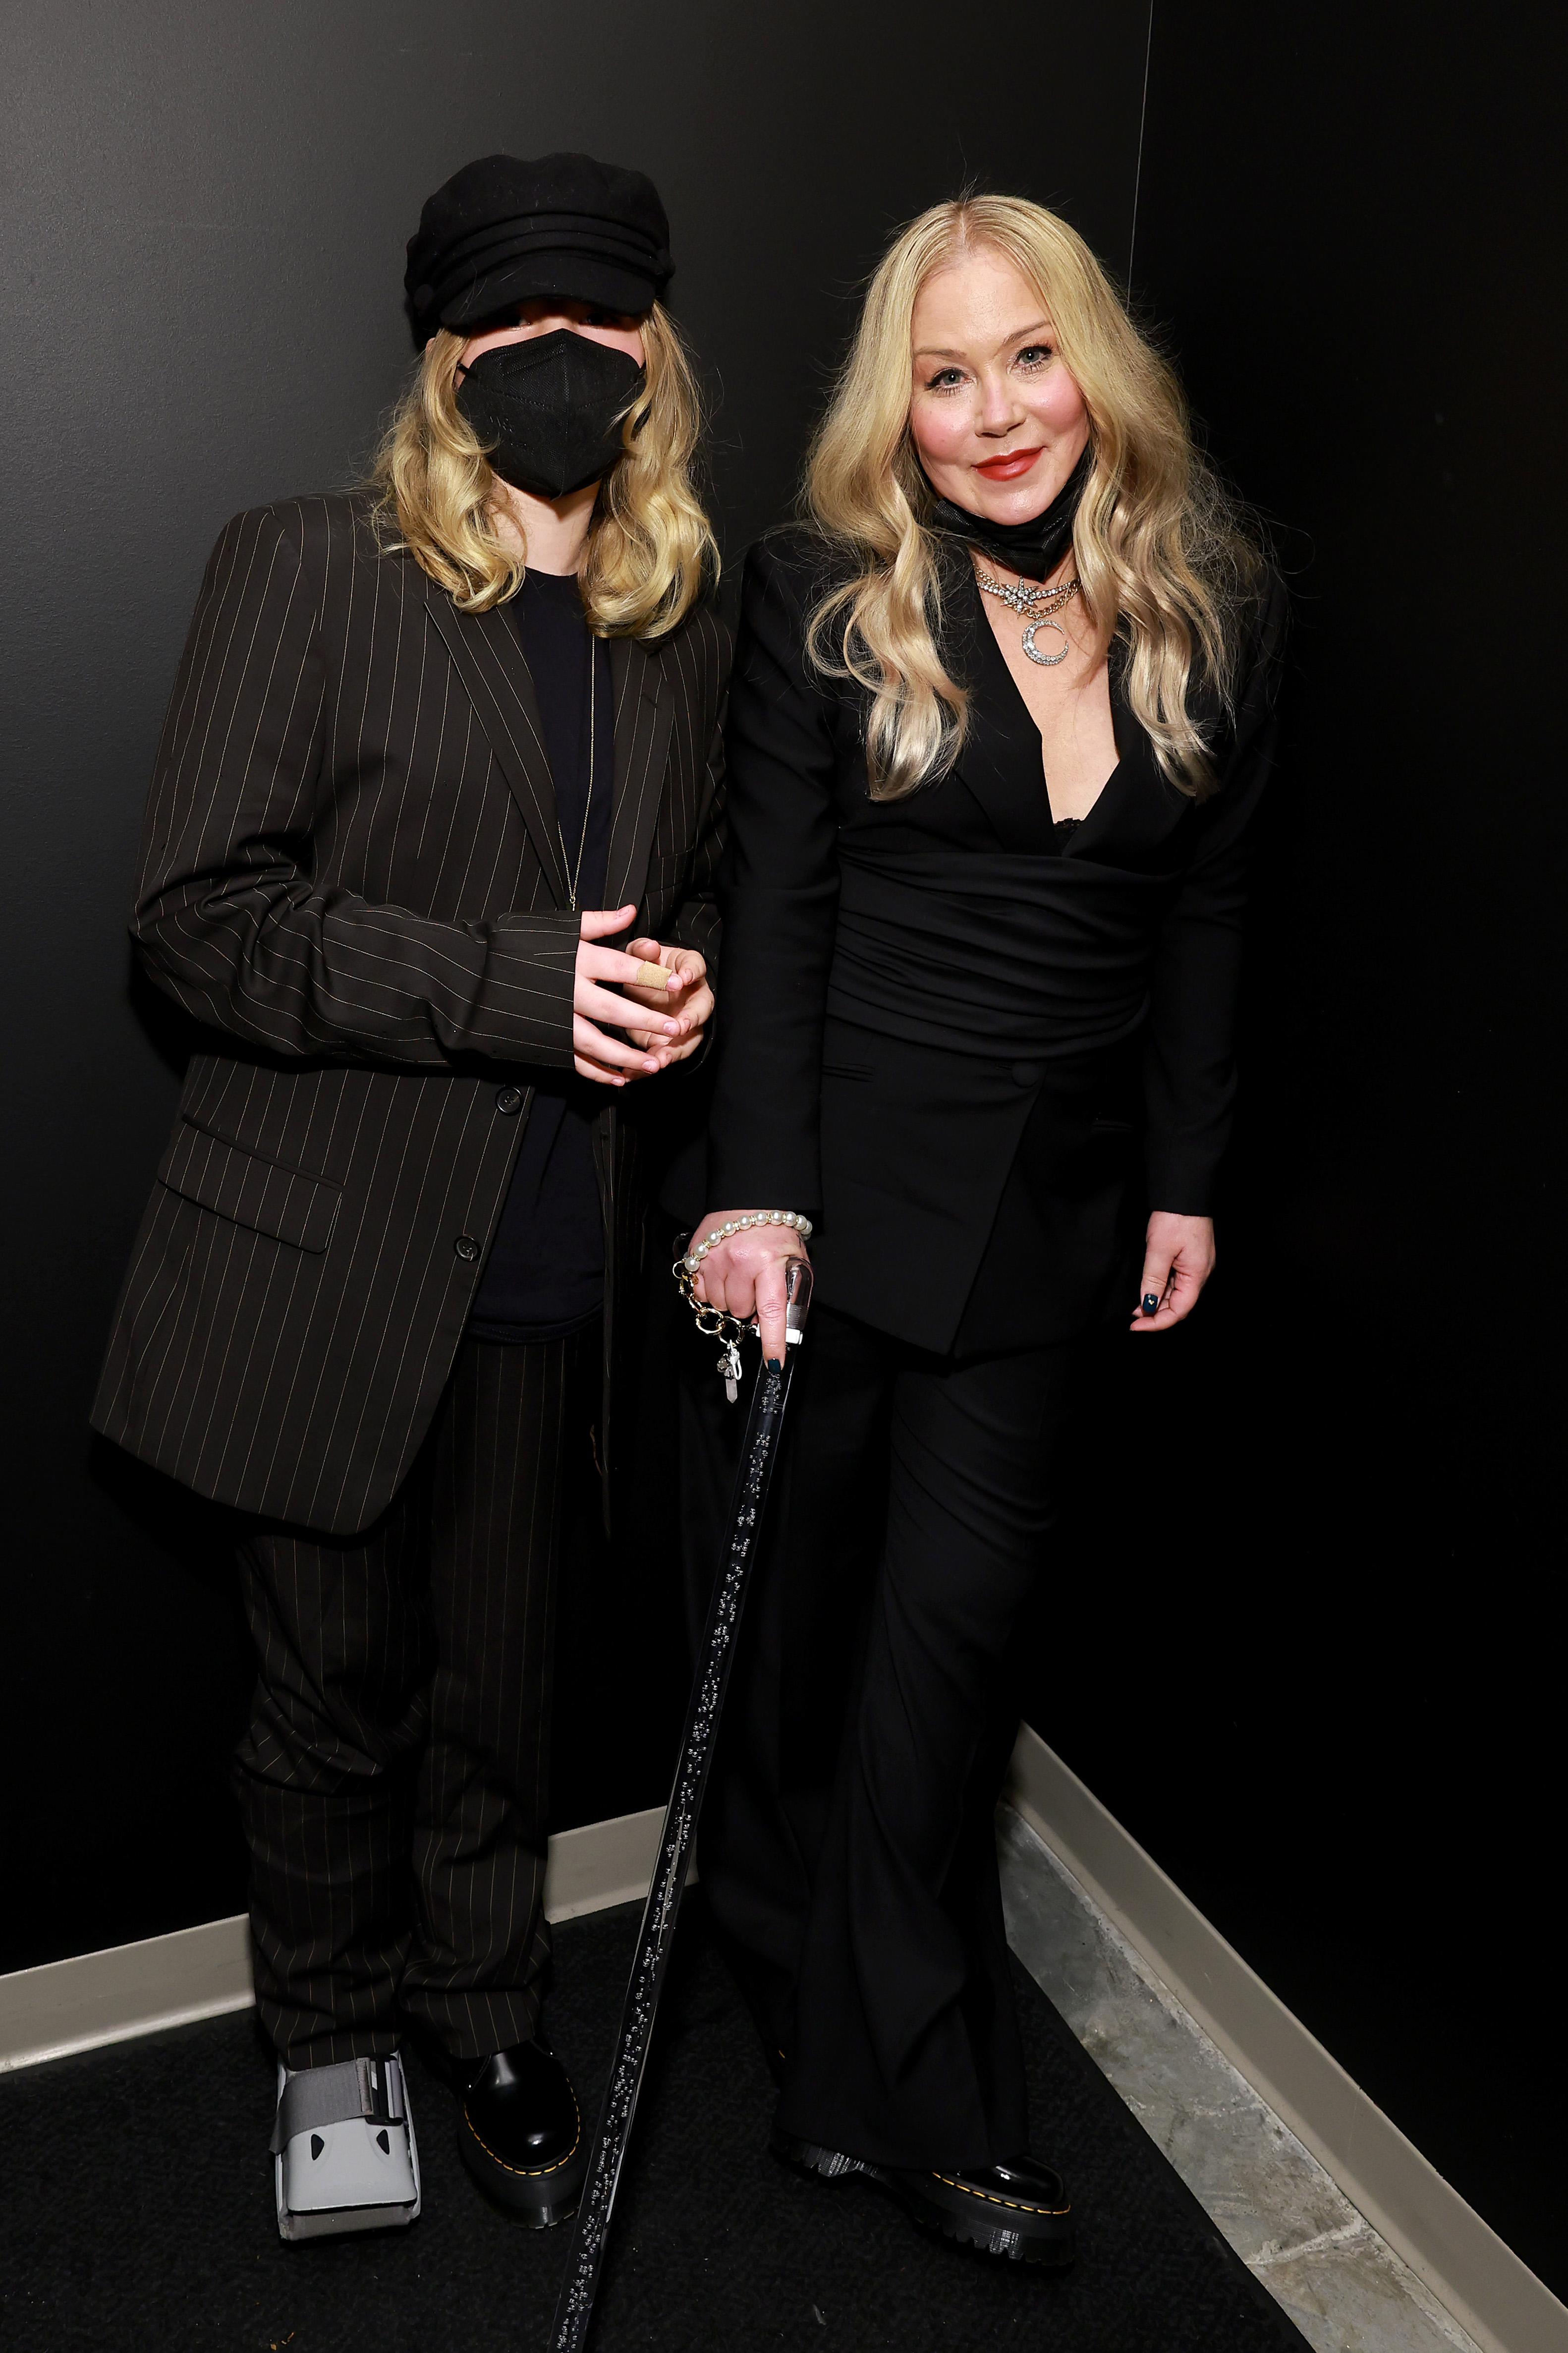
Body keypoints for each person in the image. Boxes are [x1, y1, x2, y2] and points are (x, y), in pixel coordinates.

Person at [92, 151, 729, 2241]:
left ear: (653, 350)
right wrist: (502, 984)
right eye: (513, 325)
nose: (562, 360)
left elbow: (672, 887)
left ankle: (484, 2001)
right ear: (446, 358)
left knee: (503, 1682)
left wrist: (685, 968)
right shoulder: (305, 564)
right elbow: (196, 924)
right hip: (327, 1258)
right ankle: (333, 2032)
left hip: (565, 1245)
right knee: (328, 1691)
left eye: (600, 322)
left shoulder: (677, 613)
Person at [680, 193, 1282, 2268]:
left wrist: (1185, 1173)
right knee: (791, 1654)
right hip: (832, 1221)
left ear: (1091, 361)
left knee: (939, 1674)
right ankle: (785, 1969)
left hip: (1049, 1235)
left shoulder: (1207, 599)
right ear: (900, 409)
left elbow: (1200, 910)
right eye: (945, 374)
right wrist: (752, 1194)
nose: (995, 407)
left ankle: (895, 2091)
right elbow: (772, 912)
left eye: (1027, 355)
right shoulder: (822, 594)